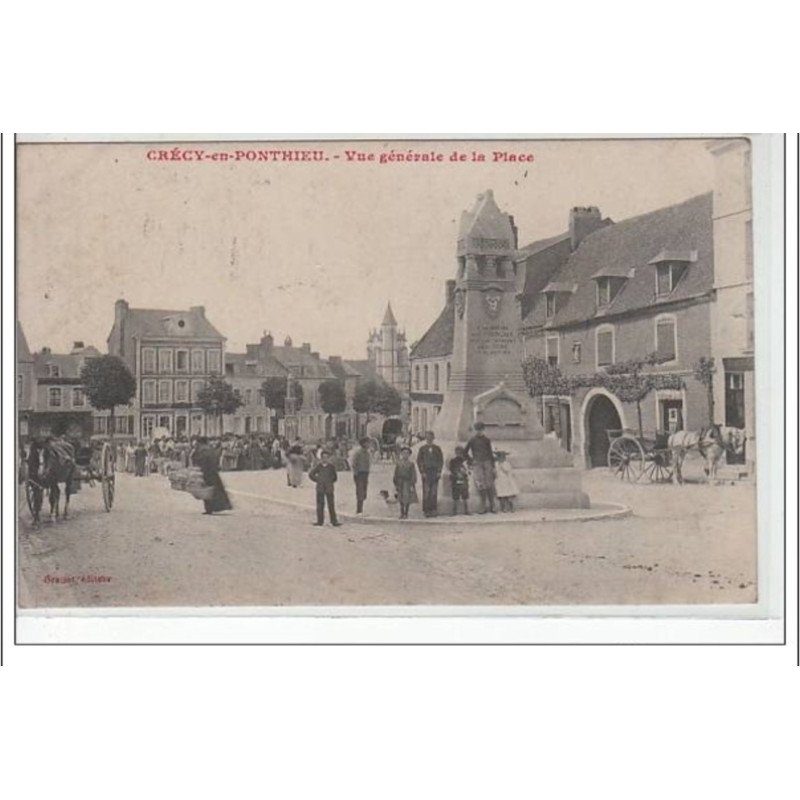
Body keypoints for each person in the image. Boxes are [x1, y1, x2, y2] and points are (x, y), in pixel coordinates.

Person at [191, 436, 233, 515]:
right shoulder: (210, 450)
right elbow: (215, 459)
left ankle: (209, 508)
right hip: (212, 473)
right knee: (214, 490)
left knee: (207, 491)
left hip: (205, 473)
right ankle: (218, 507)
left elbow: (195, 459)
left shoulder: (200, 450)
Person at [464, 421, 497, 513]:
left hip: (487, 462)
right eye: (477, 430)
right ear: (475, 430)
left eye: (481, 430)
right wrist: (470, 461)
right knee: (480, 484)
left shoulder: (487, 440)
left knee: (489, 484)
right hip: (477, 463)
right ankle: (483, 506)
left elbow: (490, 453)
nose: (479, 432)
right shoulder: (472, 440)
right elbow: (465, 452)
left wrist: (493, 466)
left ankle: (492, 505)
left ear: (483, 430)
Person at [308, 450, 341, 527]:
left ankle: (334, 521)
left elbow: (335, 477)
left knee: (331, 505)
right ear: (321, 458)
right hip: (320, 488)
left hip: (329, 488)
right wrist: (318, 480)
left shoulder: (331, 467)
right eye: (323, 457)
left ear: (328, 458)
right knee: (320, 506)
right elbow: (311, 474)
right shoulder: (318, 467)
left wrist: (329, 482)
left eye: (326, 457)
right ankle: (320, 521)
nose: (325, 459)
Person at [416, 430, 444, 517]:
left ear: (433, 438)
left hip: (434, 472)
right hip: (426, 472)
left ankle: (433, 509)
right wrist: (422, 472)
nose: (429, 440)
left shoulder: (437, 449)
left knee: (434, 491)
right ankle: (426, 510)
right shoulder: (422, 449)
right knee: (426, 491)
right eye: (427, 438)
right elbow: (419, 461)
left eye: (431, 438)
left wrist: (439, 471)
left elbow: (440, 460)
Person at [393, 446, 418, 520]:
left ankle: (406, 513)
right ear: (401, 454)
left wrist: (412, 483)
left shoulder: (411, 464)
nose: (405, 455)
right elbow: (396, 473)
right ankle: (402, 512)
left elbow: (413, 474)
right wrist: (395, 482)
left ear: (409, 455)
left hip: (407, 482)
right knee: (400, 497)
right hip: (400, 481)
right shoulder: (398, 463)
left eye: (407, 453)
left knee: (407, 497)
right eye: (403, 453)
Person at [448, 446, 471, 516]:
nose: (459, 454)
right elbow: (451, 469)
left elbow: (469, 470)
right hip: (456, 479)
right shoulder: (453, 461)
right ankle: (454, 510)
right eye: (457, 452)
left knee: (465, 495)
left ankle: (466, 510)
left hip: (463, 479)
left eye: (460, 452)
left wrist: (465, 472)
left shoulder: (466, 461)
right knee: (455, 495)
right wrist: (457, 473)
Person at [351, 437, 372, 514]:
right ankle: (359, 510)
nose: (369, 444)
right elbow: (353, 463)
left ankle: (361, 509)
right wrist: (355, 473)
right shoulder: (358, 453)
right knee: (360, 491)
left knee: (364, 491)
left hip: (365, 473)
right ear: (363, 443)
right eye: (367, 443)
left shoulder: (367, 453)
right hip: (359, 473)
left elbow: (369, 463)